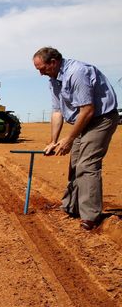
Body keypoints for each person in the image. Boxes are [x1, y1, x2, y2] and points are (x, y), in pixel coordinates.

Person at [33, 46, 118, 230]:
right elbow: (57, 111)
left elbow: (88, 109)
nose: (41, 74)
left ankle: (91, 217)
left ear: (53, 63)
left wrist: (69, 139)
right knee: (75, 163)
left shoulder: (77, 73)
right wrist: (54, 141)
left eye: (42, 69)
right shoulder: (54, 80)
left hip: (100, 119)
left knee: (87, 164)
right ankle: (71, 206)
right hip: (83, 120)